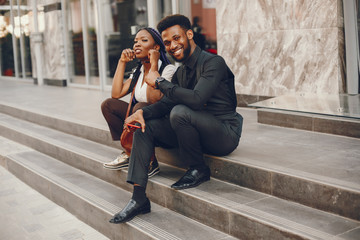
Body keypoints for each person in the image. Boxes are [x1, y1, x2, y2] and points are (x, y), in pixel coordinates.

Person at [109, 14, 243, 224]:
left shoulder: (213, 62)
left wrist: (161, 82)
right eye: (168, 42)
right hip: (194, 131)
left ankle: (198, 169)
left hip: (224, 133)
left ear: (189, 34)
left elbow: (197, 100)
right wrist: (141, 113)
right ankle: (138, 198)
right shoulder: (181, 72)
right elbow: (166, 104)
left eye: (177, 38)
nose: (172, 45)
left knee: (180, 111)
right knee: (145, 126)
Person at [101, 27, 177, 177]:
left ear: (156, 47)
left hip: (162, 125)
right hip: (140, 119)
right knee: (108, 105)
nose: (137, 44)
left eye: (143, 40)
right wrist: (122, 62)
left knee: (140, 107)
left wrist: (153, 64)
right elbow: (116, 94)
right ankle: (129, 152)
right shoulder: (138, 71)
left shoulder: (168, 70)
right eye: (135, 41)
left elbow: (154, 99)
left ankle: (150, 161)